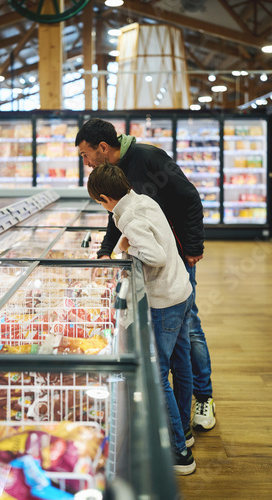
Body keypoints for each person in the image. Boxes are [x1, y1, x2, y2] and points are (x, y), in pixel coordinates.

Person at [75, 118, 216, 432]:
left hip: (176, 256)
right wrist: (106, 249)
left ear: (102, 148)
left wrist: (193, 246)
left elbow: (190, 198)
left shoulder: (149, 158)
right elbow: (118, 213)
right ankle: (181, 415)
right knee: (179, 341)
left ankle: (203, 397)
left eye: (86, 155)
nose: (85, 162)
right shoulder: (114, 177)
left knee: (189, 327)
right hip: (158, 261)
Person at [87, 163, 195, 475]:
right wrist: (125, 243)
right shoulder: (142, 201)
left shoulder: (129, 216)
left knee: (159, 375)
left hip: (164, 302)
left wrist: (128, 250)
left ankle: (180, 452)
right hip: (181, 290)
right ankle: (184, 431)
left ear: (106, 198)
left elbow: (156, 256)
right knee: (181, 364)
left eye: (101, 203)